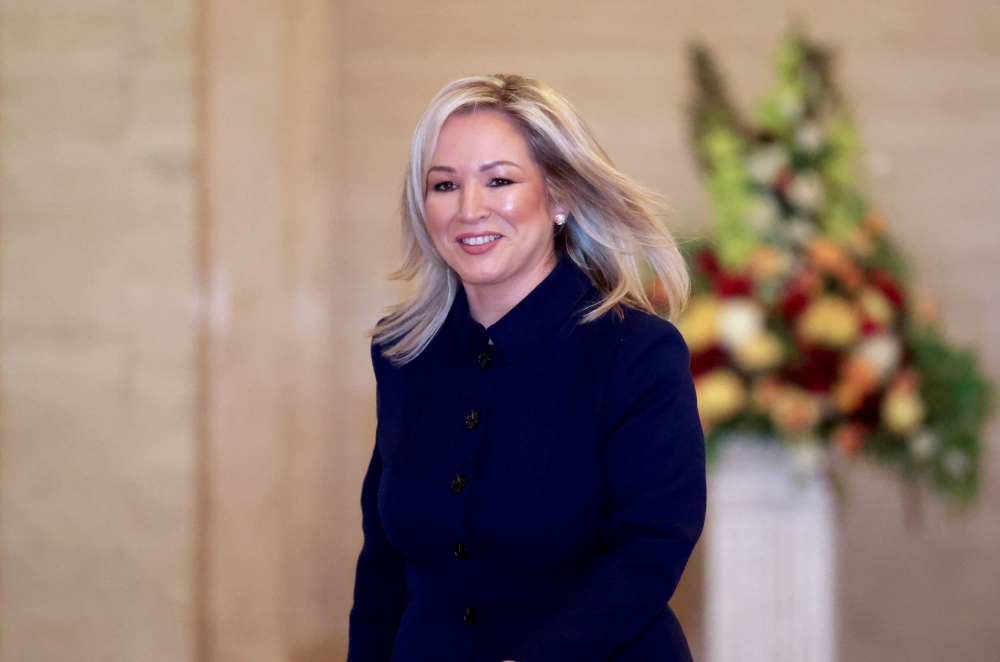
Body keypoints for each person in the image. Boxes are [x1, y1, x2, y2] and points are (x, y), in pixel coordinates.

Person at [348, 74, 705, 662]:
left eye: (499, 180)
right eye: (444, 184)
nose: (469, 209)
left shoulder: (635, 352)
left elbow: (649, 549)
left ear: (560, 196)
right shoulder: (402, 353)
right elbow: (384, 566)